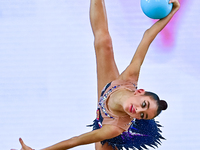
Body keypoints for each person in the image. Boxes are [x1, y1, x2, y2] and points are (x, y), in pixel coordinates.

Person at [13, 0, 180, 150]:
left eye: (142, 115)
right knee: (103, 42)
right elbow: (147, 36)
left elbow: (75, 141)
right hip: (111, 94)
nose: (137, 110)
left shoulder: (114, 129)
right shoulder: (128, 79)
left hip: (108, 133)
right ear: (139, 91)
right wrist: (172, 13)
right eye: (143, 105)